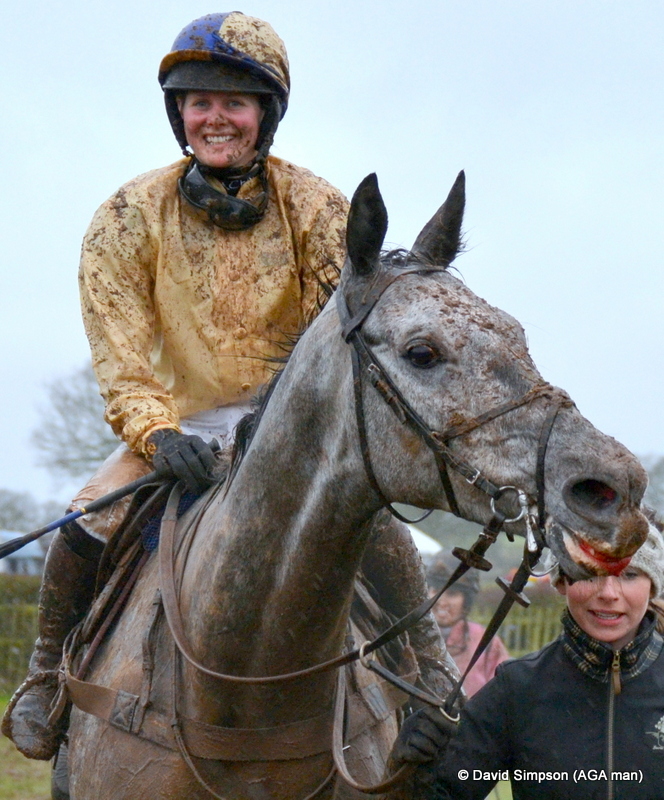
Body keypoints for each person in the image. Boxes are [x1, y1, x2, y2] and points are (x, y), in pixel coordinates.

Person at [3, 12, 454, 761]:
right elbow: (118, 353)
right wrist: (159, 433)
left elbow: (332, 340)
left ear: (264, 115)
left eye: (234, 103)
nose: (215, 117)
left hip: (294, 429)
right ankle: (47, 676)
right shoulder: (124, 216)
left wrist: (288, 428)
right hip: (175, 430)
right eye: (198, 101)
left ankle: (431, 676)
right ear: (179, 113)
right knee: (81, 526)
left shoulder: (317, 209)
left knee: (376, 523)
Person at [388, 522, 664, 800]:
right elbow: (446, 791)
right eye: (590, 573)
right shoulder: (517, 689)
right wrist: (414, 776)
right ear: (560, 581)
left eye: (629, 574)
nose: (608, 592)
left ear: (653, 585)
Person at [427, 551, 510, 696]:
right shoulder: (409, 636)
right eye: (436, 591)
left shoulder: (485, 642)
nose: (442, 601)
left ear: (466, 601)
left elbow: (503, 694)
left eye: (452, 594)